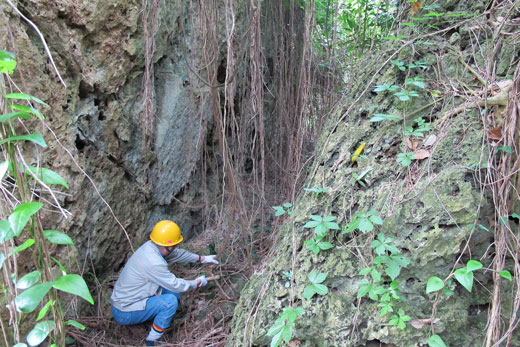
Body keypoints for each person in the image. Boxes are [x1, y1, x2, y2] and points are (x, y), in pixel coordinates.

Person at [110, 220, 219, 346]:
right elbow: (177, 285)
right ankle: (153, 340)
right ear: (168, 246)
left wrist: (202, 259)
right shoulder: (154, 262)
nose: (176, 247)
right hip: (124, 311)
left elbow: (177, 255)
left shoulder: (153, 247)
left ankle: (158, 319)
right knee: (169, 302)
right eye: (174, 245)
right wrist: (198, 282)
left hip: (132, 298)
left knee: (174, 294)